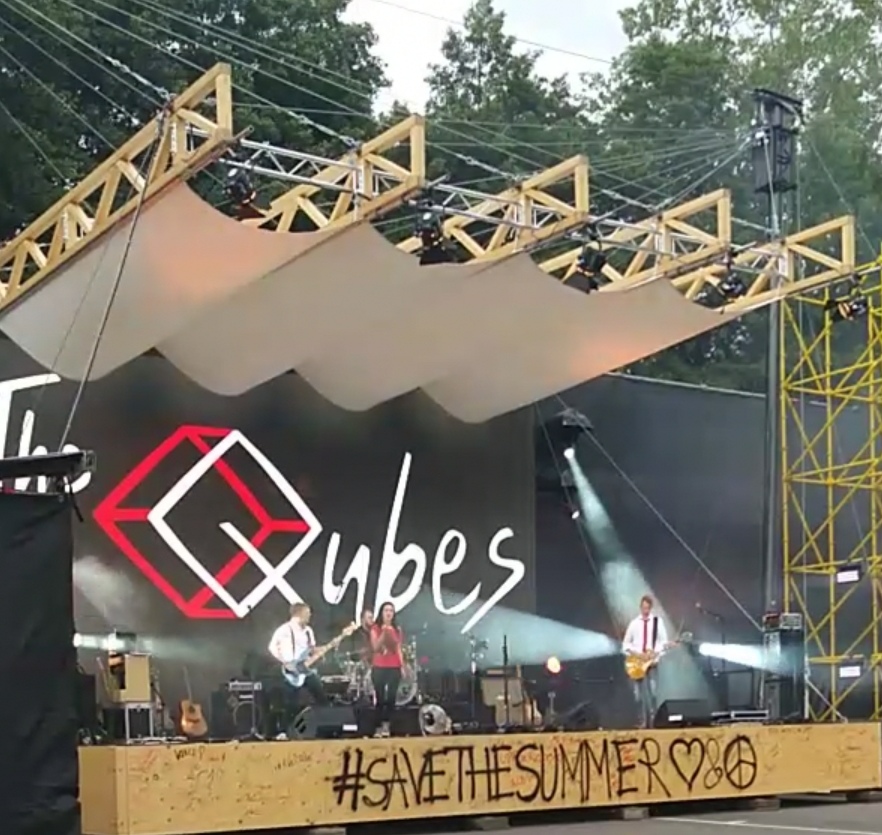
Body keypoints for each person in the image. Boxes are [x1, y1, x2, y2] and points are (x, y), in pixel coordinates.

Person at [268, 602, 328, 713]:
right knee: (291, 704)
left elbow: (311, 648)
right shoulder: (284, 629)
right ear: (299, 613)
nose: (310, 615)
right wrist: (285, 662)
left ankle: (324, 718)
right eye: (307, 613)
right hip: (292, 671)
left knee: (321, 696)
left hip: (306, 669)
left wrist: (321, 651)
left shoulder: (308, 631)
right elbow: (272, 647)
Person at [623, 594, 669, 729]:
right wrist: (636, 654)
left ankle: (654, 722)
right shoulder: (634, 623)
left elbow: (664, 643)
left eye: (647, 608)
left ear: (651, 608)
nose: (645, 610)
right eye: (643, 608)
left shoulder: (657, 622)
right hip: (637, 663)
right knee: (638, 695)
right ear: (640, 607)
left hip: (652, 663)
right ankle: (642, 722)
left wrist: (656, 655)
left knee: (653, 693)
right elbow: (625, 645)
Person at [370, 602, 403, 738]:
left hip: (394, 666)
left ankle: (387, 725)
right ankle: (378, 726)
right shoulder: (375, 628)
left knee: (391, 698)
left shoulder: (397, 629)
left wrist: (402, 666)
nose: (389, 613)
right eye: (386, 610)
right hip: (379, 666)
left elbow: (398, 648)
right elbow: (375, 647)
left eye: (391, 611)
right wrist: (384, 632)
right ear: (381, 613)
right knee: (380, 698)